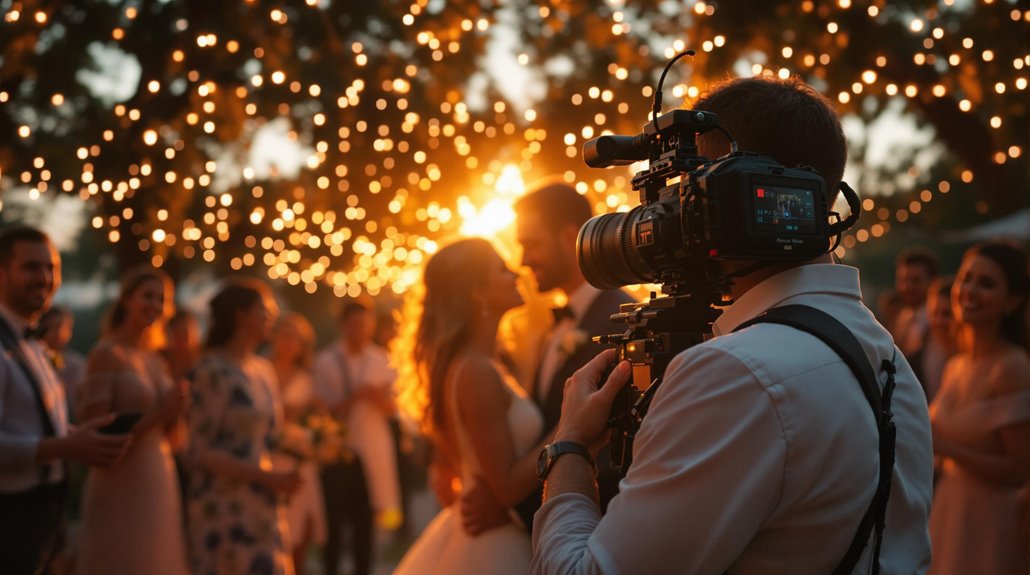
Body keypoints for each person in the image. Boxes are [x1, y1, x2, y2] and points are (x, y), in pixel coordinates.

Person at [532, 76, 934, 574]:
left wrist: (568, 445)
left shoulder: (733, 374)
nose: (672, 214)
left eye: (686, 192)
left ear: (728, 187)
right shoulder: (887, 357)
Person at [456, 181, 636, 535]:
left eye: (531, 244)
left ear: (569, 236)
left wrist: (513, 507)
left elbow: (614, 457)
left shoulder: (622, 321)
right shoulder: (553, 328)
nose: (522, 261)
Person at [392, 237, 545, 574]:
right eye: (502, 269)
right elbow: (505, 487)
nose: (516, 273)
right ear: (477, 291)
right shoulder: (475, 371)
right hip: (495, 548)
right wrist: (572, 427)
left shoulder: (478, 365)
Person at [0, 226, 132, 575]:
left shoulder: (33, 345)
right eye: (31, 267)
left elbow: (27, 422)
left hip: (43, 516)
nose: (44, 278)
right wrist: (65, 448)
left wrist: (75, 434)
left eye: (51, 268)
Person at [74, 265, 190, 575]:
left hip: (159, 474)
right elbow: (96, 432)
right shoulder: (106, 353)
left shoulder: (157, 359)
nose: (154, 305)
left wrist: (177, 412)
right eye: (147, 296)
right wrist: (160, 413)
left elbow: (173, 437)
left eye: (161, 299)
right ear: (126, 300)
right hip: (120, 479)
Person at [928, 241, 1029, 574]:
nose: (969, 291)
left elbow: (1020, 471)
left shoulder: (1012, 368)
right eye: (966, 278)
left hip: (991, 525)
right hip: (949, 513)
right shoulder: (956, 364)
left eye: (986, 284)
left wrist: (947, 448)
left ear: (1012, 301)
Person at [185, 279, 299, 575]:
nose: (271, 317)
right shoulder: (209, 370)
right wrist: (264, 477)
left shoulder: (263, 370)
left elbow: (272, 436)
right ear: (240, 315)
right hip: (223, 506)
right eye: (265, 310)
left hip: (261, 504)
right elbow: (199, 451)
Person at [312, 297, 400, 575]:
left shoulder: (383, 360)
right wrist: (353, 398)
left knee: (366, 522)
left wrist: (376, 398)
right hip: (336, 451)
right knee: (334, 522)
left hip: (371, 449)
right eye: (354, 324)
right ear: (343, 326)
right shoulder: (325, 361)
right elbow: (321, 412)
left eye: (365, 324)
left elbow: (396, 409)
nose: (360, 330)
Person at [269, 312, 327, 575]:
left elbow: (319, 420)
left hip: (298, 459)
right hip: (268, 458)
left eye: (296, 338)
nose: (289, 342)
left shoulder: (308, 379)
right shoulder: (261, 370)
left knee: (300, 530)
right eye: (286, 335)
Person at [909, 277, 958, 402]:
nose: (939, 321)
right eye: (934, 313)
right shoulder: (922, 348)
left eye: (947, 314)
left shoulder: (970, 354)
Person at [36, 305, 87, 418]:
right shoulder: (32, 360)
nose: (59, 333)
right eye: (54, 327)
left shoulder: (77, 364)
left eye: (64, 327)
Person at [892, 247, 940, 359]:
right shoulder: (903, 317)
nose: (907, 287)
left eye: (915, 280)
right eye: (903, 280)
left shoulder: (940, 321)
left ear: (934, 281)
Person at [160, 309, 201, 383]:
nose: (186, 340)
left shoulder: (198, 368)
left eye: (187, 335)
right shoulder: (159, 360)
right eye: (179, 333)